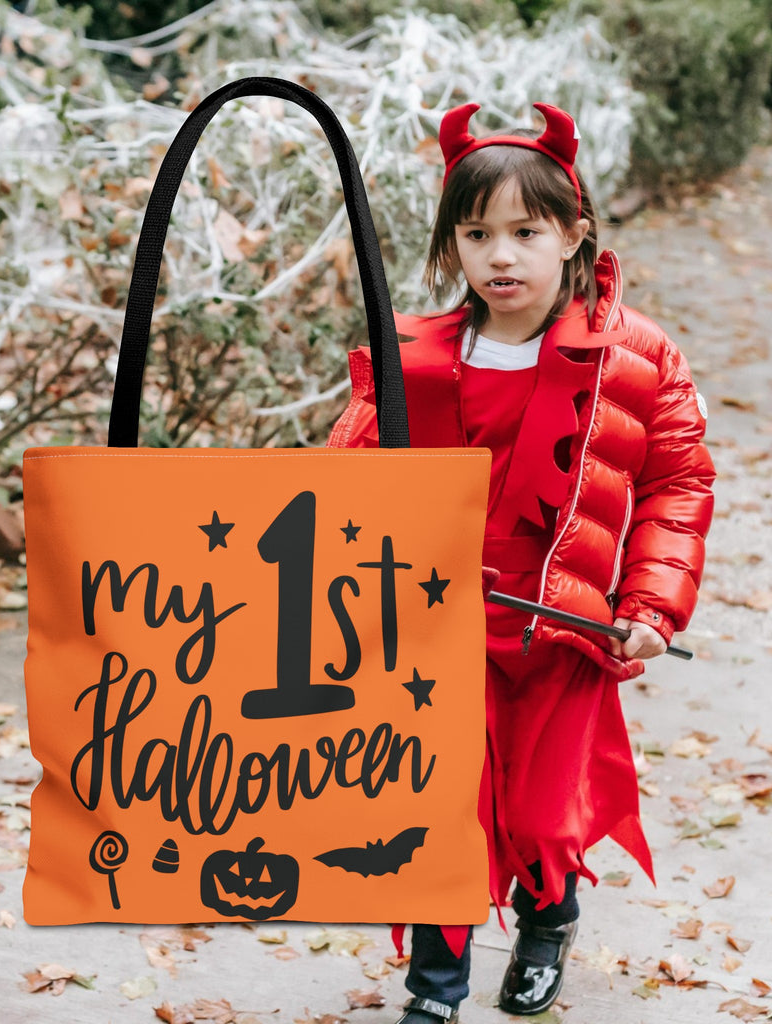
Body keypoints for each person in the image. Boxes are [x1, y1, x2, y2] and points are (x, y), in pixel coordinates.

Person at [327, 101, 715, 1022]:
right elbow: (345, 483)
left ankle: (547, 923)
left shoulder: (638, 356)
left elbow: (679, 483)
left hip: (562, 626)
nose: (501, 256)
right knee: (437, 804)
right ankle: (436, 989)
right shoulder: (412, 357)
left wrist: (652, 604)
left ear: (573, 233)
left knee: (542, 815)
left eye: (525, 232)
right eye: (476, 233)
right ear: (451, 244)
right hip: (433, 626)